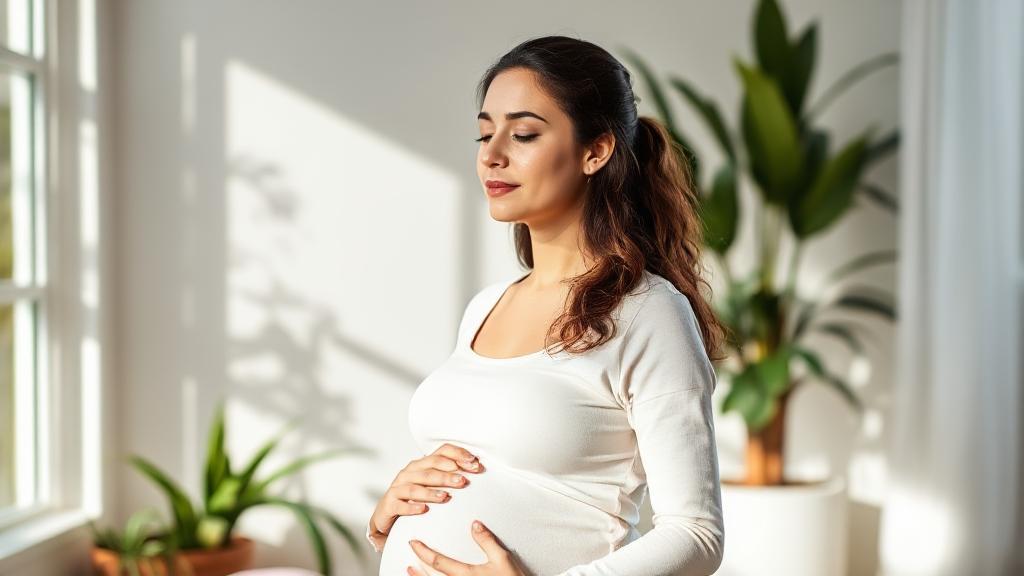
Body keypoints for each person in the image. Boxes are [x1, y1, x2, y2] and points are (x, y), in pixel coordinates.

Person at [367, 34, 727, 576]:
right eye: (484, 133)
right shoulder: (486, 307)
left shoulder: (649, 311)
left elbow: (696, 535)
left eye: (525, 133)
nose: (491, 154)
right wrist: (393, 511)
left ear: (595, 150)